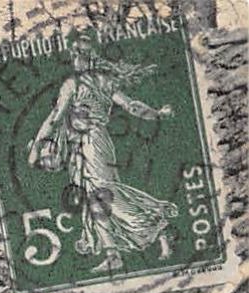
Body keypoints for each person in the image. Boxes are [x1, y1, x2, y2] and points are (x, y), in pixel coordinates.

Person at [29, 37, 179, 273]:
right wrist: (157, 114)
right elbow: (132, 106)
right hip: (93, 143)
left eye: (78, 55)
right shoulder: (106, 82)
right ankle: (113, 254)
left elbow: (56, 118)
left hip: (91, 143)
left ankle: (157, 226)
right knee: (94, 199)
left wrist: (38, 145)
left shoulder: (72, 84)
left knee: (104, 194)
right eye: (75, 55)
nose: (75, 59)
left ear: (85, 58)